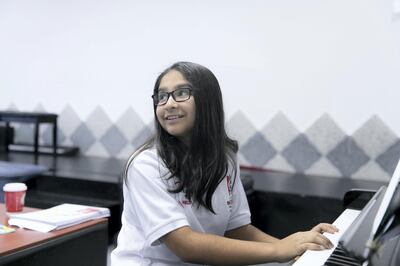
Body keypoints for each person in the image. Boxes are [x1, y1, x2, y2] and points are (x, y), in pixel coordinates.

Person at [111, 61, 338, 265]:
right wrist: (279, 250)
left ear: (207, 100)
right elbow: (185, 246)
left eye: (181, 93)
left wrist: (294, 249)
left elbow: (237, 229)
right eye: (161, 96)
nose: (168, 104)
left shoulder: (225, 159)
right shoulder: (145, 165)